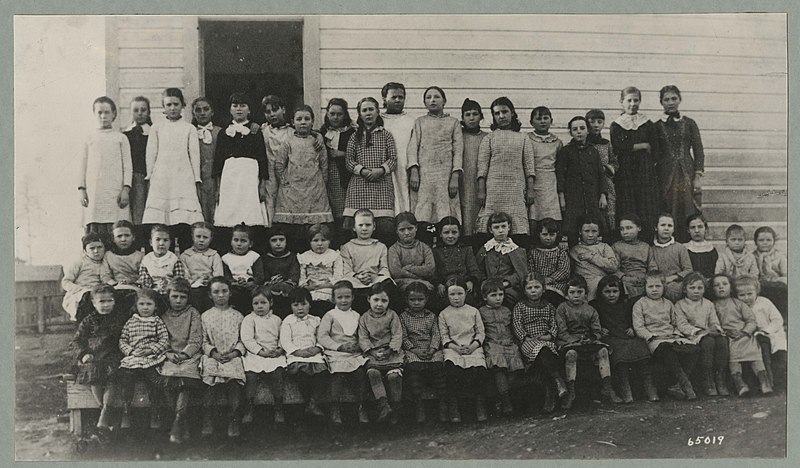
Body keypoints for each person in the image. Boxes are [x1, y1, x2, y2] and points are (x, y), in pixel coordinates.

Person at [142, 87, 203, 249]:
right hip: (162, 177)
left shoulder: (189, 128)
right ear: (163, 107)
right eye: (168, 105)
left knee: (182, 219)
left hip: (183, 177)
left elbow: (194, 154)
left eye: (176, 104)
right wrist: (150, 174)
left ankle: (184, 256)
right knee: (161, 220)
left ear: (182, 105)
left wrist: (196, 177)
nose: (172, 108)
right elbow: (151, 153)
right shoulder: (157, 128)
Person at [69, 284, 129, 435]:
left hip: (114, 354)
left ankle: (104, 418)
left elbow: (128, 336)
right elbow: (77, 340)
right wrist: (83, 354)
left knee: (113, 376)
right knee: (94, 374)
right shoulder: (89, 320)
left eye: (109, 301)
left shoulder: (120, 318)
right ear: (94, 303)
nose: (106, 305)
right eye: (101, 302)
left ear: (114, 302)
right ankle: (106, 413)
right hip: (94, 356)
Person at [273, 105, 334, 253]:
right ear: (293, 122)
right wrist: (284, 182)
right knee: (294, 230)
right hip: (292, 191)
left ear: (313, 122)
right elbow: (279, 164)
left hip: (314, 188)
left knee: (314, 227)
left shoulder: (317, 141)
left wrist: (322, 184)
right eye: (299, 119)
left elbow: (324, 164)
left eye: (307, 119)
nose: (303, 122)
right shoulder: (288, 142)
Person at [555, 276, 622, 408]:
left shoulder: (590, 310)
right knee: (571, 354)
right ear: (566, 294)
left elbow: (597, 331)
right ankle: (571, 392)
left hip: (587, 342)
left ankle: (607, 388)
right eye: (572, 292)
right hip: (569, 342)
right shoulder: (562, 309)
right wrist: (575, 340)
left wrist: (591, 338)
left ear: (585, 294)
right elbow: (561, 332)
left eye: (579, 292)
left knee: (603, 351)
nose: (576, 296)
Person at [632, 271, 699, 400]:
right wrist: (650, 336)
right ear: (645, 288)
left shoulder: (668, 304)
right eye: (650, 287)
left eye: (658, 286)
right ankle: (685, 384)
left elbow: (675, 324)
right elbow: (639, 327)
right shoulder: (640, 304)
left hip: (670, 336)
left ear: (664, 287)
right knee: (666, 350)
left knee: (694, 348)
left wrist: (677, 336)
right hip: (655, 339)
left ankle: (678, 385)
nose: (654, 290)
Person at [475, 97, 536, 238]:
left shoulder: (523, 138)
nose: (501, 116)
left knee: (517, 225)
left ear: (512, 113)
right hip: (494, 189)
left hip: (515, 188)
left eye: (505, 112)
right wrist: (481, 191)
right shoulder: (489, 138)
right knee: (490, 223)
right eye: (497, 113)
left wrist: (531, 190)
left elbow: (529, 167)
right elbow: (482, 168)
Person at [591, 275, 657, 403]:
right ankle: (625, 387)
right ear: (601, 293)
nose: (611, 295)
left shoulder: (625, 305)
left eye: (615, 291)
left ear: (620, 292)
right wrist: (600, 329)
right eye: (607, 292)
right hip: (611, 337)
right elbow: (593, 321)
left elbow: (632, 319)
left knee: (641, 347)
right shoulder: (597, 306)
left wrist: (632, 328)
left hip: (626, 335)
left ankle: (649, 386)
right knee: (619, 354)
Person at [343, 97, 398, 246]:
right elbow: (349, 160)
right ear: (359, 114)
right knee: (356, 229)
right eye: (364, 110)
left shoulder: (386, 135)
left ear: (378, 112)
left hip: (381, 187)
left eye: (371, 109)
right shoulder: (355, 136)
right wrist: (363, 171)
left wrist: (380, 170)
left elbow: (393, 159)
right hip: (359, 186)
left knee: (384, 229)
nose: (368, 113)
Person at [407, 86, 463, 231]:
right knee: (423, 211)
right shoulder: (420, 122)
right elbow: (413, 147)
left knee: (445, 210)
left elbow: (458, 150)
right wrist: (414, 170)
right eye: (428, 97)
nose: (432, 100)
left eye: (436, 97)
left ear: (444, 101)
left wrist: (455, 176)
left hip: (445, 175)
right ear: (424, 102)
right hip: (425, 174)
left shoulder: (453, 122)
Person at [213, 92, 269, 235]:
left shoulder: (255, 131)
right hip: (230, 176)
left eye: (243, 106)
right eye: (235, 105)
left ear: (249, 110)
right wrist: (218, 188)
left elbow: (262, 159)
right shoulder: (224, 133)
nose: (239, 109)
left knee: (249, 212)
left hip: (249, 176)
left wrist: (262, 186)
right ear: (230, 109)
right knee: (230, 212)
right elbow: (218, 162)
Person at [511, 273, 568, 413]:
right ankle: (558, 380)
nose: (533, 290)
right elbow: (517, 324)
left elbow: (554, 323)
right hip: (529, 341)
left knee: (545, 352)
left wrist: (549, 335)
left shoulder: (548, 306)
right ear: (524, 291)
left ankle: (550, 395)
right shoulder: (520, 306)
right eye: (529, 288)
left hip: (545, 340)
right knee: (542, 352)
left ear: (543, 290)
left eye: (537, 287)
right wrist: (525, 337)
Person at [610, 86, 661, 242]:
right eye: (629, 100)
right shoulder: (617, 125)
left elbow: (656, 147)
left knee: (645, 206)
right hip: (626, 173)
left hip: (645, 172)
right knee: (628, 204)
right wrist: (642, 146)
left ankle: (646, 243)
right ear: (621, 102)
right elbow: (618, 147)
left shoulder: (647, 123)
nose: (632, 104)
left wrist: (641, 150)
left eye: (636, 100)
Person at [655, 85, 705, 242]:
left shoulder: (689, 123)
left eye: (674, 99)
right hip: (665, 175)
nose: (670, 102)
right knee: (669, 208)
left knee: (688, 208)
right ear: (661, 102)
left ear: (680, 100)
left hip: (687, 174)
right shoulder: (656, 126)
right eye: (666, 99)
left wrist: (697, 175)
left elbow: (699, 151)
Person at [711, 274, 773, 396]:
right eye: (717, 285)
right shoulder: (712, 305)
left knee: (756, 354)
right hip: (729, 336)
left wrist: (745, 331)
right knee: (734, 358)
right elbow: (713, 322)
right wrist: (723, 332)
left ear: (731, 287)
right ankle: (740, 384)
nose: (721, 287)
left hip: (744, 335)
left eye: (725, 284)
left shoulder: (739, 303)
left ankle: (764, 382)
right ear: (712, 289)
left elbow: (751, 320)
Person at [157, 278, 203, 443]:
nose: (178, 300)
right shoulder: (163, 316)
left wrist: (185, 354)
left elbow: (196, 339)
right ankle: (181, 422)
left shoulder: (193, 313)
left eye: (182, 297)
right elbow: (161, 339)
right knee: (168, 378)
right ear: (168, 297)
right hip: (170, 355)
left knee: (185, 379)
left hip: (189, 356)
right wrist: (168, 353)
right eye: (174, 296)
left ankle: (177, 421)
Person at [317, 280, 369, 424]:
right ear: (334, 298)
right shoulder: (330, 315)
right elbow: (322, 336)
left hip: (353, 353)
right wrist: (338, 347)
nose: (344, 300)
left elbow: (362, 335)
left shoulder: (357, 316)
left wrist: (358, 345)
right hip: (336, 352)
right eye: (340, 297)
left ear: (353, 297)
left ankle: (361, 407)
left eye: (347, 297)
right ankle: (335, 409)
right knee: (338, 376)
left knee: (360, 374)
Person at [78, 96, 132, 236]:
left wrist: (126, 189)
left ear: (114, 114)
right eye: (99, 112)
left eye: (107, 112)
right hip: (95, 192)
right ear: (94, 114)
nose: (103, 116)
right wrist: (82, 189)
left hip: (115, 192)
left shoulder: (120, 138)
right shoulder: (89, 138)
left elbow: (127, 166)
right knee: (95, 231)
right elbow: (82, 166)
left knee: (115, 229)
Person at [200, 276, 246, 438]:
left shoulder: (238, 316)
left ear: (230, 293)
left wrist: (234, 353)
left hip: (232, 355)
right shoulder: (205, 316)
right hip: (214, 355)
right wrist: (213, 353)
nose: (220, 295)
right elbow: (203, 340)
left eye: (224, 291)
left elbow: (243, 340)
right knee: (209, 375)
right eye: (216, 292)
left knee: (234, 378)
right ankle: (207, 418)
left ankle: (233, 418)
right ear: (210, 295)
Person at [117, 288, 169, 431]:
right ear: (136, 306)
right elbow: (123, 340)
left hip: (150, 357)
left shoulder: (157, 321)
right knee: (127, 379)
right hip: (134, 357)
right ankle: (126, 410)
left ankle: (155, 411)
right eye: (142, 304)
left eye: (149, 304)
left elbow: (165, 340)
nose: (145, 308)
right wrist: (131, 351)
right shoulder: (131, 322)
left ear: (155, 306)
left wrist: (152, 350)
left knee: (155, 381)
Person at [439, 278, 488, 423]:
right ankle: (455, 409)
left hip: (472, 346)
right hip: (454, 348)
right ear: (447, 296)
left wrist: (473, 346)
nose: (456, 298)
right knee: (453, 371)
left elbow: (480, 332)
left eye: (459, 293)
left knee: (479, 371)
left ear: (466, 293)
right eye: (452, 294)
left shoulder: (473, 311)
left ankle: (480, 407)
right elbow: (444, 336)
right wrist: (455, 348)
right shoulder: (444, 314)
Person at [673, 272, 729, 396]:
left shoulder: (708, 304)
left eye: (700, 288)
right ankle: (708, 380)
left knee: (722, 341)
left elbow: (714, 321)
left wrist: (715, 329)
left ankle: (720, 378)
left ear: (704, 289)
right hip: (691, 336)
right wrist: (698, 331)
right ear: (684, 289)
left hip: (708, 333)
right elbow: (682, 325)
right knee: (708, 342)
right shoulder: (680, 305)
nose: (696, 291)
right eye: (692, 288)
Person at [399, 281, 447, 423]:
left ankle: (443, 405)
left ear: (426, 299)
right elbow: (403, 337)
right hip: (413, 349)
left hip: (430, 349)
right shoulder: (403, 317)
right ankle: (419, 404)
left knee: (439, 367)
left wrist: (432, 349)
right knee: (413, 369)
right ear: (406, 300)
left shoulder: (431, 316)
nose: (416, 303)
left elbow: (436, 334)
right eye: (412, 300)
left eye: (420, 300)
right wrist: (415, 350)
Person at [557, 116, 609, 245]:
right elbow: (560, 175)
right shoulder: (566, 151)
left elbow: (600, 175)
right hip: (573, 198)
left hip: (592, 196)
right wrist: (561, 196)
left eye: (582, 128)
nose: (579, 132)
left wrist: (603, 195)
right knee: (573, 230)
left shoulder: (593, 151)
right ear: (571, 132)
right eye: (575, 129)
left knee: (594, 226)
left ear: (587, 131)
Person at [358, 282, 404, 424]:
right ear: (368, 300)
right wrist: (371, 351)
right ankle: (384, 406)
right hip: (373, 354)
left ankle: (395, 409)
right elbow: (363, 337)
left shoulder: (392, 315)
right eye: (376, 300)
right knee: (373, 373)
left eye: (384, 301)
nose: (379, 304)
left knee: (394, 377)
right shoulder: (364, 318)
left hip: (391, 352)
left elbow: (397, 334)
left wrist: (390, 349)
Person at [240, 286, 287, 425]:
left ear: (271, 303)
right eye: (256, 303)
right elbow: (247, 339)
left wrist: (279, 349)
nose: (259, 306)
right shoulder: (249, 319)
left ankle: (278, 407)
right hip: (256, 354)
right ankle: (249, 408)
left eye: (263, 303)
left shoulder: (277, 320)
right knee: (251, 376)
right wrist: (260, 351)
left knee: (277, 374)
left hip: (273, 354)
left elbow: (282, 337)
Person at [479, 279, 525, 415]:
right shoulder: (481, 311)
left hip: (509, 343)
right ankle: (506, 401)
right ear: (484, 297)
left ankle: (500, 396)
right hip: (493, 344)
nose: (498, 298)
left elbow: (513, 328)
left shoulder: (507, 310)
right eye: (493, 295)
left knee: (514, 370)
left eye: (500, 295)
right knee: (499, 369)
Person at [280, 288, 329, 418]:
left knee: (322, 374)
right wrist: (298, 352)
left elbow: (322, 337)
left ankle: (312, 403)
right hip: (297, 355)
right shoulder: (288, 321)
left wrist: (317, 348)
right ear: (291, 306)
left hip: (314, 354)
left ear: (310, 304)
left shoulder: (316, 320)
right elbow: (285, 340)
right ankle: (310, 403)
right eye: (296, 305)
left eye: (303, 304)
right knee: (302, 374)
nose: (300, 308)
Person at [736, 275, 787, 391]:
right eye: (742, 295)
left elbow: (777, 320)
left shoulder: (764, 302)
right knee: (757, 355)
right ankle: (764, 382)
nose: (746, 298)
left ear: (756, 292)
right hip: (751, 337)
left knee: (779, 356)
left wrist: (766, 331)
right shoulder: (738, 307)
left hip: (770, 333)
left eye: (750, 294)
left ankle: (776, 382)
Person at [339, 208, 394, 313]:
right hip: (356, 280)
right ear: (354, 227)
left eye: (368, 225)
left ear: (374, 227)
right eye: (360, 225)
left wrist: (375, 276)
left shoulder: (381, 246)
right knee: (345, 283)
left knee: (387, 282)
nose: (364, 228)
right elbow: (347, 270)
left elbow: (384, 268)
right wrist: (357, 276)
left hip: (375, 280)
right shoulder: (347, 247)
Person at [321, 98, 358, 244]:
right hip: (327, 174)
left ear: (345, 115)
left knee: (344, 211)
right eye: (332, 114)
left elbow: (360, 153)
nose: (335, 117)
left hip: (346, 175)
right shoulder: (322, 132)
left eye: (339, 114)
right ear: (327, 114)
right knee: (332, 211)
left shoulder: (352, 132)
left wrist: (341, 154)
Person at [476, 212, 529, 307]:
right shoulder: (486, 248)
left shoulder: (515, 249)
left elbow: (521, 273)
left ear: (509, 227)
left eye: (503, 226)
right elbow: (479, 269)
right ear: (490, 230)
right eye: (496, 227)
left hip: (509, 287)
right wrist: (485, 283)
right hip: (489, 286)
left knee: (509, 296)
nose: (501, 231)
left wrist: (506, 283)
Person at [432, 216, 482, 309]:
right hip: (445, 287)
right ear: (440, 234)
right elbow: (433, 272)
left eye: (454, 232)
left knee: (469, 301)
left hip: (463, 286)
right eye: (446, 232)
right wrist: (438, 284)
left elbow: (474, 270)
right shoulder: (435, 251)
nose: (450, 236)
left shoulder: (466, 249)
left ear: (459, 233)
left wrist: (471, 281)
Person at [528, 106, 563, 236]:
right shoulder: (528, 139)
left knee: (551, 212)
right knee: (534, 212)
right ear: (531, 122)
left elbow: (560, 167)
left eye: (545, 118)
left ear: (551, 120)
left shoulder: (557, 142)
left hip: (551, 182)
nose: (542, 121)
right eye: (538, 118)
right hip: (533, 179)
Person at [380, 82, 415, 214]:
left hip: (405, 166)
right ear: (384, 98)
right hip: (384, 167)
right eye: (393, 97)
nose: (398, 100)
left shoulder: (412, 121)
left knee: (405, 198)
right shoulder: (378, 120)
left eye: (401, 97)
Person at [297, 223, 343, 317]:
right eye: (315, 240)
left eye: (323, 240)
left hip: (328, 290)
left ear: (329, 241)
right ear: (310, 242)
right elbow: (301, 279)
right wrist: (308, 286)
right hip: (310, 291)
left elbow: (338, 278)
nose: (320, 243)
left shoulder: (335, 256)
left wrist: (323, 285)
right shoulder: (304, 257)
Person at [123, 96, 152, 242]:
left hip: (151, 177)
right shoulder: (125, 134)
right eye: (136, 110)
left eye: (143, 110)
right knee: (136, 213)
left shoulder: (153, 132)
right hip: (134, 178)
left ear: (149, 112)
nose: (140, 113)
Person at [569, 216, 619, 301]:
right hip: (584, 283)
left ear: (599, 232)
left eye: (594, 231)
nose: (590, 235)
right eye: (586, 231)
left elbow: (613, 266)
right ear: (580, 231)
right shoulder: (575, 250)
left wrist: (592, 257)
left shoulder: (604, 247)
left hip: (603, 282)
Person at [459, 98, 488, 242]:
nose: (471, 118)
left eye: (475, 114)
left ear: (481, 116)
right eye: (467, 114)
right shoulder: (459, 136)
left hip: (481, 183)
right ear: (462, 118)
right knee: (465, 216)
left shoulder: (486, 138)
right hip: (462, 182)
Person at [586, 109, 618, 236]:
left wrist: (607, 168)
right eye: (592, 122)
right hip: (590, 183)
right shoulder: (584, 143)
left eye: (599, 122)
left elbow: (615, 162)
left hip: (606, 183)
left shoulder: (606, 144)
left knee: (608, 211)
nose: (596, 125)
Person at [180, 221, 223, 312]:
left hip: (209, 287)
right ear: (192, 236)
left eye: (205, 237)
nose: (201, 240)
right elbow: (185, 274)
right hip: (192, 288)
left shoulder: (214, 255)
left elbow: (219, 275)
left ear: (211, 238)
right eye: (198, 236)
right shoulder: (185, 255)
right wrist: (194, 283)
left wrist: (210, 280)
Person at [388, 211, 436, 293]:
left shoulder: (424, 247)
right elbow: (396, 273)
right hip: (403, 284)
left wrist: (408, 268)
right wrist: (419, 280)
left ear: (416, 228)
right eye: (402, 230)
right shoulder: (394, 249)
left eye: (410, 228)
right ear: (396, 231)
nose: (407, 233)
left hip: (425, 284)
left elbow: (430, 269)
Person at [221, 223, 265, 315]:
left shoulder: (254, 256)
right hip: (234, 286)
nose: (239, 244)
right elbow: (226, 276)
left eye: (243, 241)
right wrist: (234, 282)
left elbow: (260, 276)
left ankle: (252, 311)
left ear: (250, 243)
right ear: (231, 241)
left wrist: (250, 282)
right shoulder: (226, 258)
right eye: (236, 240)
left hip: (250, 286)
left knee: (256, 292)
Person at [62, 232, 106, 322]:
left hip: (99, 293)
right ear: (85, 251)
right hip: (80, 293)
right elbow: (66, 282)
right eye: (92, 248)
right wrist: (79, 289)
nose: (96, 251)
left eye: (99, 247)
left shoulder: (106, 262)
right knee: (87, 299)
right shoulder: (80, 262)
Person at [191, 96, 222, 223]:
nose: (202, 113)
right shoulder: (190, 132)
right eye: (198, 110)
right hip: (197, 181)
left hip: (215, 180)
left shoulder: (220, 132)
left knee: (216, 213)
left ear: (212, 112)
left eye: (206, 109)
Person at [527, 217, 570, 307]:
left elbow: (564, 271)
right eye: (545, 234)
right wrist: (540, 281)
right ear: (539, 234)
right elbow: (531, 270)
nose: (548, 238)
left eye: (552, 234)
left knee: (554, 297)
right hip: (538, 283)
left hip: (557, 284)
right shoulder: (533, 252)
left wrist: (549, 279)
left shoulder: (560, 252)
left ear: (557, 235)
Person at [612, 214, 657, 299]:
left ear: (639, 228)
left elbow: (652, 266)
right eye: (622, 229)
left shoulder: (646, 247)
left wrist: (648, 278)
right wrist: (624, 277)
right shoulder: (617, 246)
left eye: (629, 228)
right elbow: (614, 268)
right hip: (625, 280)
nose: (625, 232)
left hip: (644, 280)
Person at [651, 213, 693, 302]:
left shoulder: (680, 248)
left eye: (670, 226)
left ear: (673, 229)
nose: (666, 228)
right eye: (663, 225)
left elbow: (688, 270)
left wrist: (672, 278)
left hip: (677, 285)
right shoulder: (651, 250)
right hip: (658, 285)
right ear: (656, 227)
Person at [263, 227, 301, 318]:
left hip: (288, 288)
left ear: (286, 241)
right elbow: (263, 274)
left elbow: (294, 273)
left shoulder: (292, 257)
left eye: (281, 240)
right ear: (269, 242)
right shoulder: (265, 258)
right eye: (274, 240)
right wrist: (270, 281)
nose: (278, 243)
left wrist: (287, 282)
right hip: (271, 287)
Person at [752, 226, 788, 321]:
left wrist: (773, 277)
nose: (765, 243)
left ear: (774, 241)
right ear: (756, 242)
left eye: (768, 240)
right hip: (760, 285)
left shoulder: (780, 256)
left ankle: (782, 318)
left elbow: (786, 275)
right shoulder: (751, 256)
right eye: (761, 240)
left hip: (777, 287)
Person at [684, 213, 718, 280]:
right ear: (688, 230)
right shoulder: (684, 249)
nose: (696, 231)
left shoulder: (712, 249)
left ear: (706, 229)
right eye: (693, 227)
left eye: (700, 227)